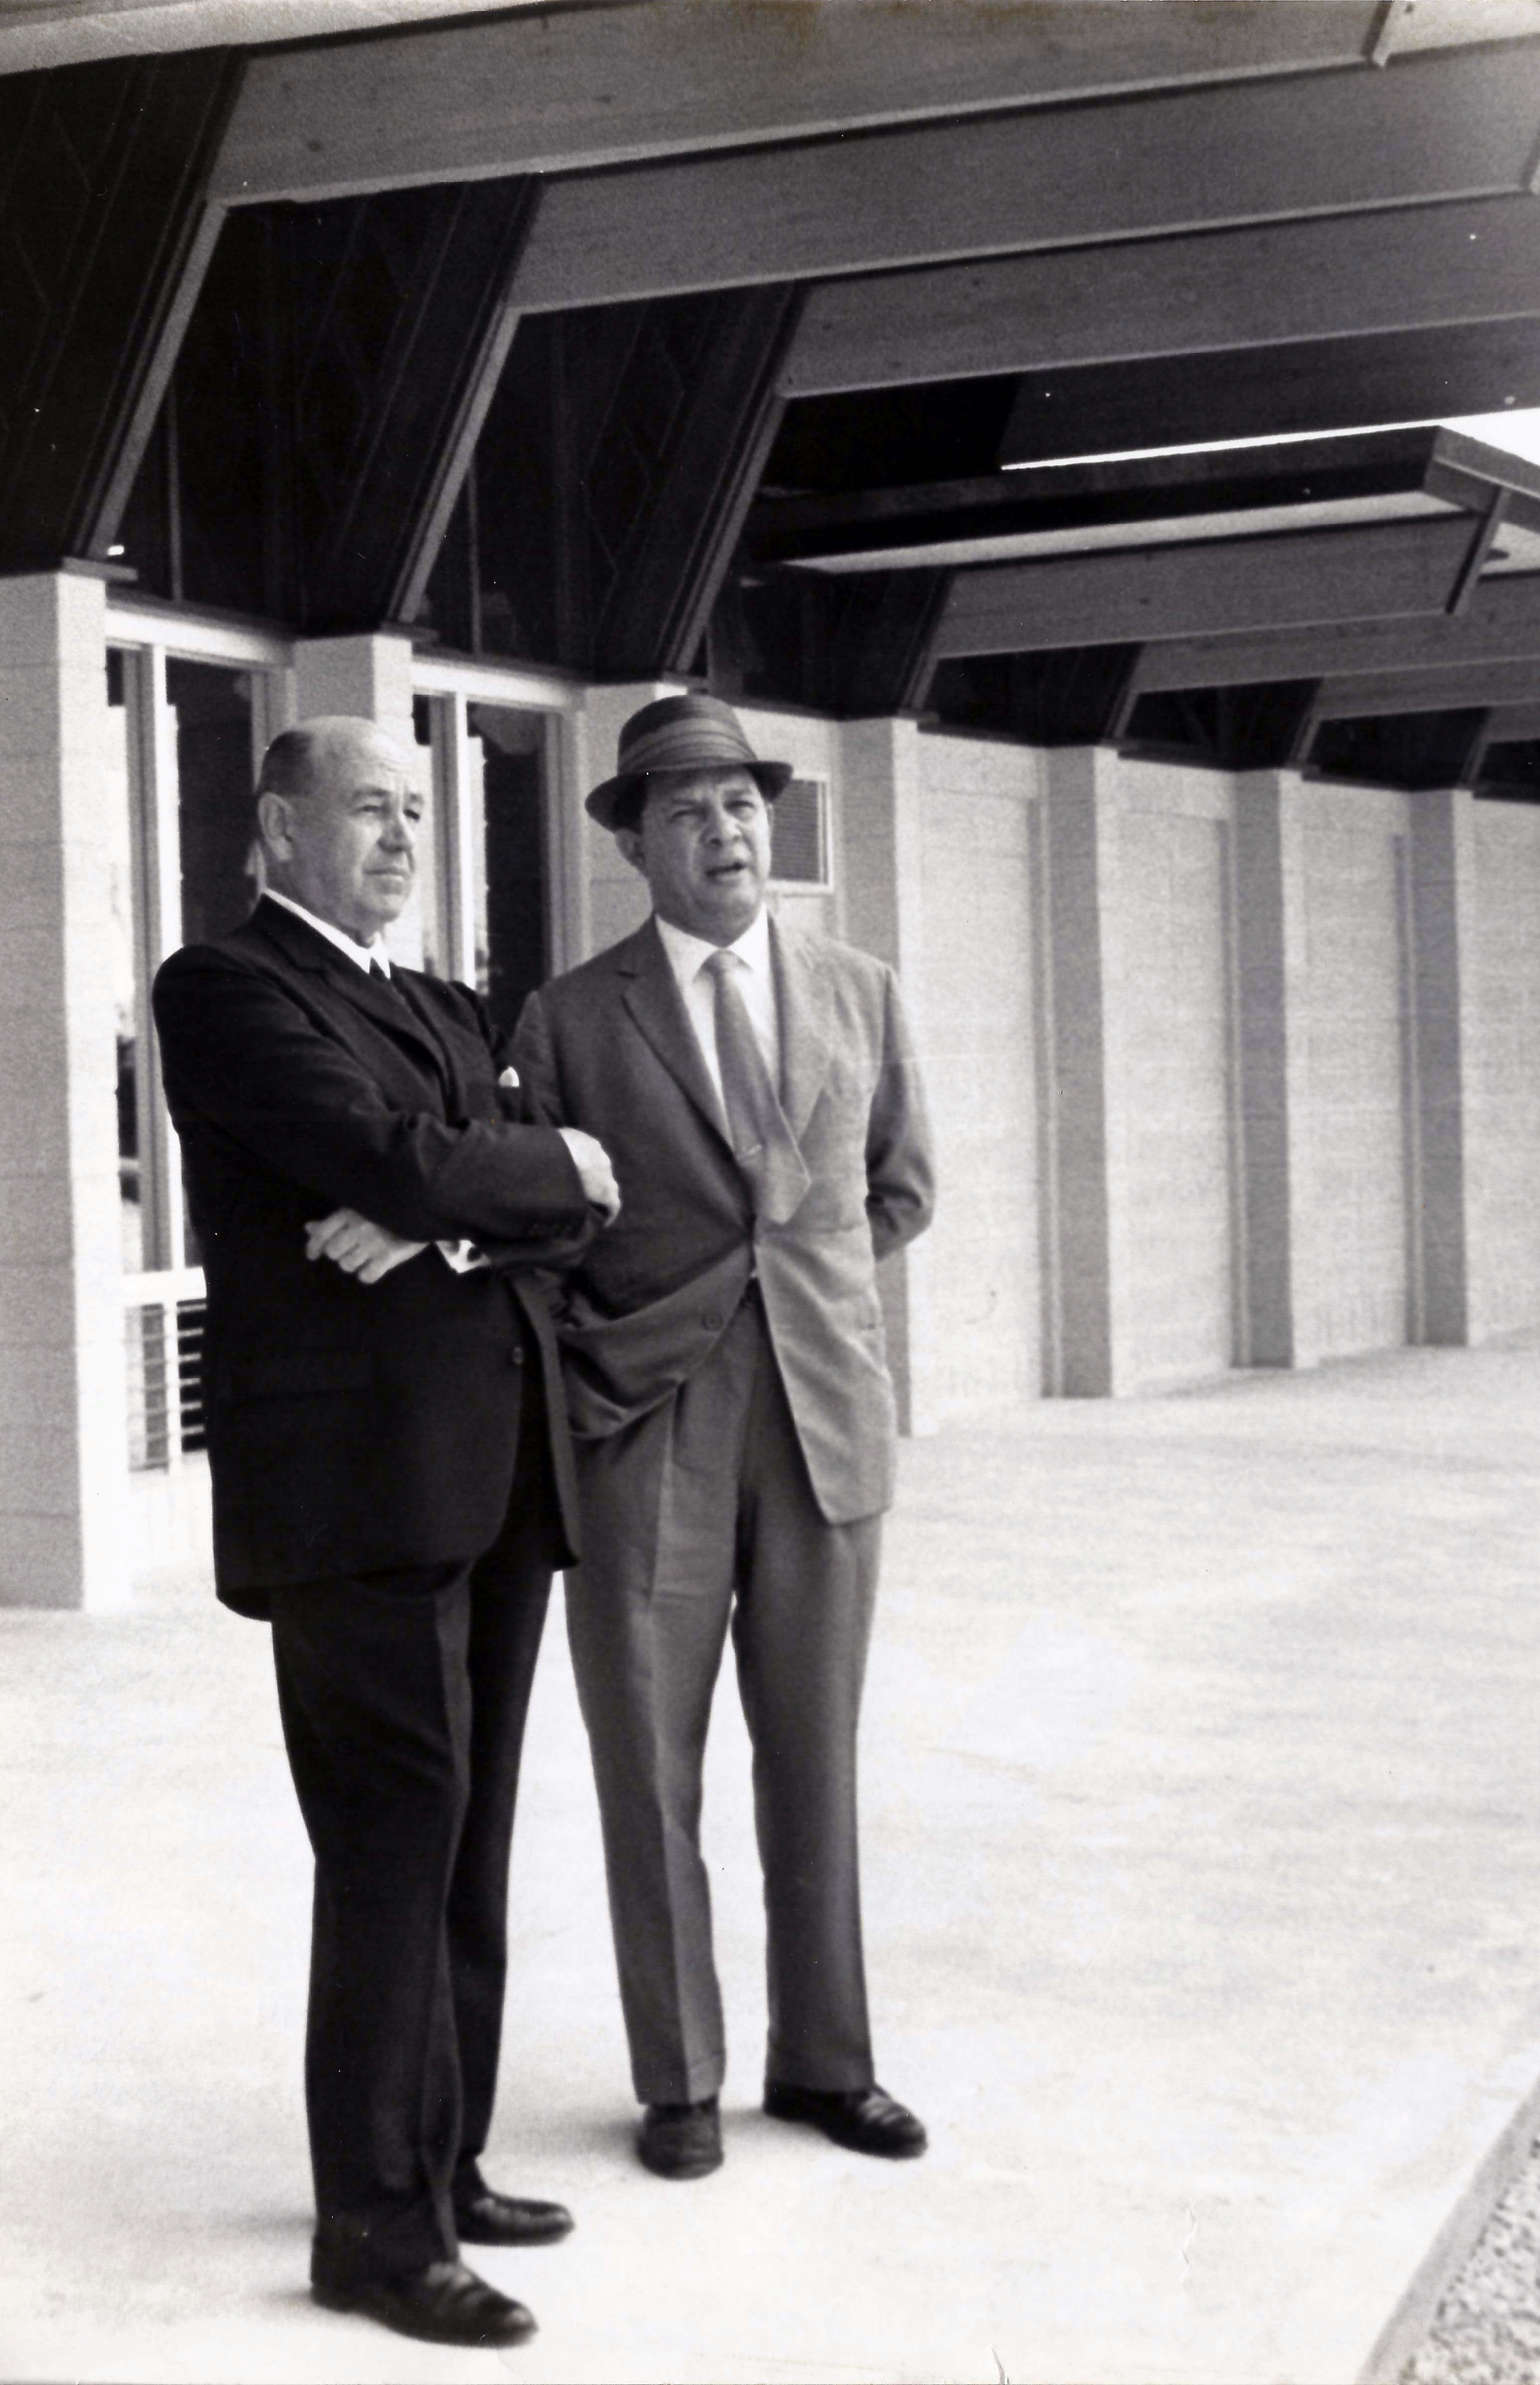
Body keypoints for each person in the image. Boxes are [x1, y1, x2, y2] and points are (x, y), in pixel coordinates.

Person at [150, 717, 622, 2350]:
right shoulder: (227, 989)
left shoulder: (435, 1001)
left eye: (416, 810)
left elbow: (533, 1208)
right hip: (352, 1496)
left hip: (487, 1476)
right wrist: (510, 1168)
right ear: (277, 831)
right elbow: (379, 1154)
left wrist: (450, 1216)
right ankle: (372, 2229)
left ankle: (447, 2157)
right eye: (368, 809)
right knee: (388, 1847)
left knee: (471, 1833)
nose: (404, 836)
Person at [508, 694, 935, 2182]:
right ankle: (677, 2078)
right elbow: (540, 1238)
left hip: (824, 1416)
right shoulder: (568, 1018)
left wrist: (799, 1298)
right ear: (634, 841)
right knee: (651, 1767)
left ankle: (826, 2065)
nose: (723, 829)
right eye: (684, 809)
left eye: (742, 803)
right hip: (647, 1421)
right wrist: (633, 1349)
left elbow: (898, 1191)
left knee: (815, 1758)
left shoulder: (861, 990)